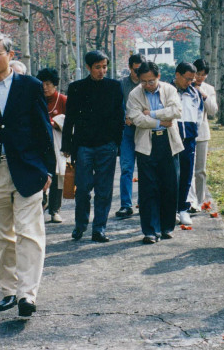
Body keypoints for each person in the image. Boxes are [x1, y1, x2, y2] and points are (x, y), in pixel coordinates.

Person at [0, 34, 55, 318]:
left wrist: (48, 169)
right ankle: (8, 291)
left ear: (9, 54)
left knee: (29, 233)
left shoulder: (30, 87)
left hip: (28, 170)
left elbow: (43, 130)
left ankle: (27, 294)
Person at [61, 50, 124, 242]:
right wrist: (67, 145)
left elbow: (119, 116)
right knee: (82, 189)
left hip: (107, 145)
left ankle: (99, 228)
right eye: (97, 67)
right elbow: (69, 118)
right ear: (88, 68)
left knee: (104, 190)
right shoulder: (76, 88)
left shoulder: (114, 86)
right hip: (84, 146)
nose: (102, 71)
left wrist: (116, 143)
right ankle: (80, 225)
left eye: (104, 67)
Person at [126, 61, 182, 243]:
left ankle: (167, 227)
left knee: (169, 185)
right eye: (144, 82)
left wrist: (152, 114)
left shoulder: (169, 90)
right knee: (148, 188)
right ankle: (150, 231)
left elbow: (176, 111)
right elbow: (135, 118)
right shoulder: (135, 94)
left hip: (168, 142)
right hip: (146, 144)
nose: (148, 85)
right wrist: (160, 121)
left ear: (158, 77)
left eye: (151, 81)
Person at [173, 61, 203, 226]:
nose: (190, 82)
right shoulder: (168, 91)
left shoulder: (194, 93)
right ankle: (171, 209)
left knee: (186, 175)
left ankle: (183, 209)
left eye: (192, 79)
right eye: (187, 78)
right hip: (171, 138)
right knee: (172, 176)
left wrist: (193, 134)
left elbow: (199, 114)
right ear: (177, 75)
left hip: (189, 139)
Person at [116, 53, 146, 219]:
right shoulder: (122, 84)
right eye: (136, 70)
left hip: (143, 129)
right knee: (126, 168)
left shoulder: (146, 83)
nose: (138, 73)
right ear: (130, 68)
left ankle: (144, 202)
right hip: (127, 131)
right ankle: (126, 205)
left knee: (144, 168)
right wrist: (124, 118)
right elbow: (117, 106)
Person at [36, 67, 67, 223]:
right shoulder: (36, 99)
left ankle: (55, 210)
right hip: (40, 143)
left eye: (48, 84)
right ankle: (41, 205)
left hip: (58, 143)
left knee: (57, 176)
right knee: (40, 174)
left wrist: (57, 122)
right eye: (42, 84)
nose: (45, 87)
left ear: (55, 84)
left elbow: (71, 123)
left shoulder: (62, 100)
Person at [188, 58, 218, 210]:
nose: (199, 77)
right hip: (186, 133)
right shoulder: (184, 85)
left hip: (202, 134)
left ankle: (199, 201)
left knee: (200, 170)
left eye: (203, 75)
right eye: (197, 74)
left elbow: (213, 111)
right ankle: (190, 201)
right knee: (188, 170)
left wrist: (203, 95)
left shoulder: (209, 89)